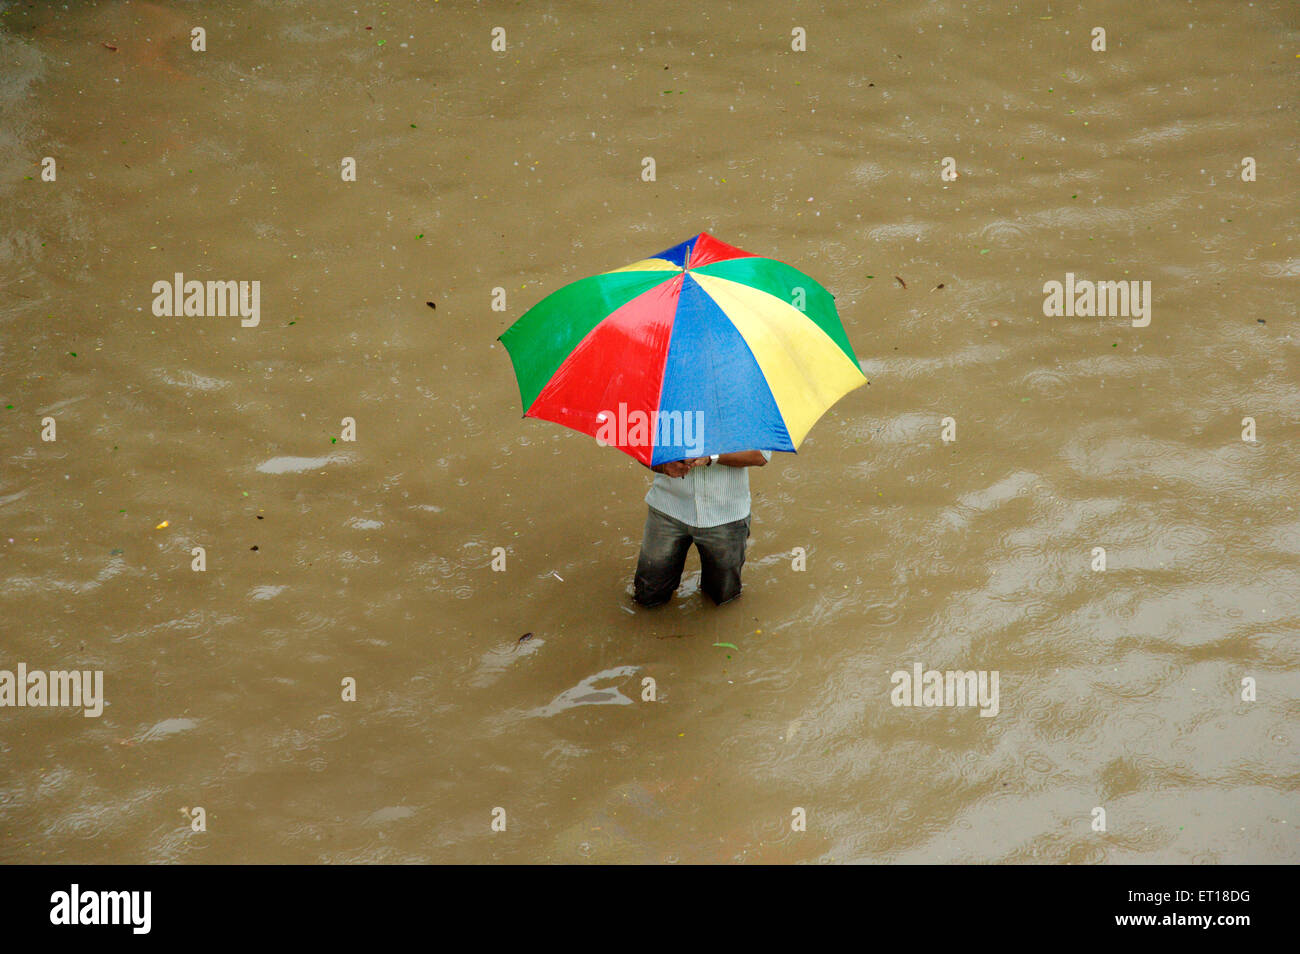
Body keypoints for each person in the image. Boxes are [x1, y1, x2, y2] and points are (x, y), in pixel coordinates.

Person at [633, 450, 772, 607]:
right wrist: (663, 466)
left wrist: (711, 458)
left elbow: (761, 456)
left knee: (723, 596)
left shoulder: (743, 423)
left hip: (726, 515)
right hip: (667, 509)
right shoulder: (666, 424)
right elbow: (639, 447)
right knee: (648, 592)